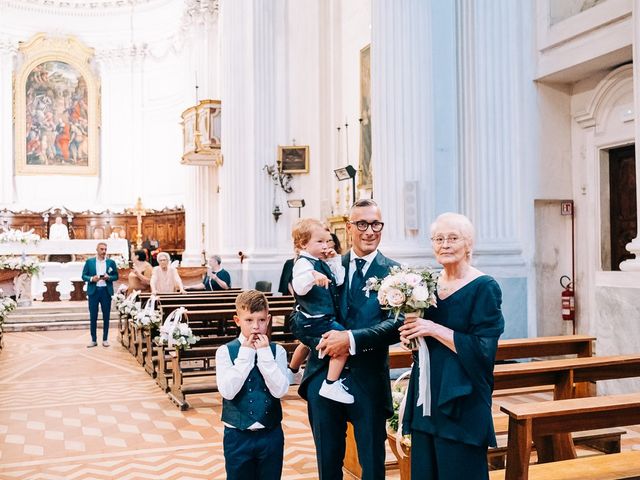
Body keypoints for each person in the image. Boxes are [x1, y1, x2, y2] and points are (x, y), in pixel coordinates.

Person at [399, 212, 505, 480]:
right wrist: (413, 339)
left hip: (461, 397)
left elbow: (484, 350)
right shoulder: (428, 286)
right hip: (428, 394)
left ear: (469, 244)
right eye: (438, 238)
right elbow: (426, 340)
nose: (444, 244)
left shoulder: (484, 287)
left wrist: (434, 329)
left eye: (453, 238)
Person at [299, 199, 399, 480]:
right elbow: (298, 317)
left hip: (368, 378)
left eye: (376, 224)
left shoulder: (395, 273)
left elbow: (397, 325)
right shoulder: (324, 266)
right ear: (348, 227)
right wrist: (324, 338)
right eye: (362, 224)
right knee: (328, 464)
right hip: (323, 376)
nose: (370, 231)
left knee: (372, 465)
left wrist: (350, 339)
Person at [215, 290, 290, 480]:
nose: (256, 327)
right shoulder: (225, 351)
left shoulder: (277, 351)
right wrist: (246, 355)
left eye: (262, 320)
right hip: (237, 436)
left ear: (269, 319)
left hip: (270, 434)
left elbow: (280, 390)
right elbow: (228, 392)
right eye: (249, 320)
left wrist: (265, 356)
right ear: (237, 320)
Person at [287, 219, 350, 403]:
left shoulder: (320, 261)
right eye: (320, 241)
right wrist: (313, 275)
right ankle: (331, 385)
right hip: (314, 319)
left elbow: (338, 280)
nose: (325, 246)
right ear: (303, 244)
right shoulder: (303, 263)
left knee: (327, 344)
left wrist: (334, 260)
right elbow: (299, 287)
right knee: (343, 343)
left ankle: (293, 371)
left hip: (322, 318)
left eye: (327, 241)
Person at [82, 242, 118, 348]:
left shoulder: (111, 262)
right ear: (97, 250)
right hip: (94, 291)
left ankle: (105, 339)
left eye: (105, 249)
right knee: (93, 316)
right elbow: (83, 276)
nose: (104, 251)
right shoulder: (89, 262)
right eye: (102, 249)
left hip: (106, 291)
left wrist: (109, 277)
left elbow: (116, 276)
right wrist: (92, 278)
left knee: (106, 316)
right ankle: (93, 340)